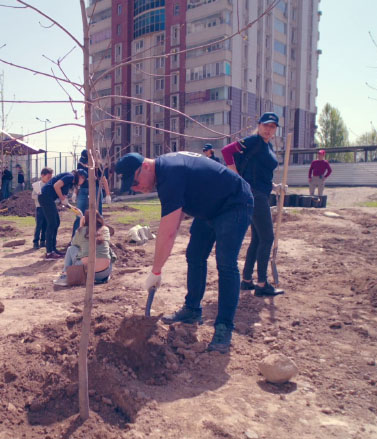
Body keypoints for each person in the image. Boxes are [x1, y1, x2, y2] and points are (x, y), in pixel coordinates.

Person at [115, 151, 254, 353]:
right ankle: (192, 310)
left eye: (135, 182)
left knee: (226, 263)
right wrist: (158, 266)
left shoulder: (170, 173)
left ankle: (224, 327)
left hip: (234, 203)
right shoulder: (166, 173)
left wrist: (156, 271)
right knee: (194, 255)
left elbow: (168, 233)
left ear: (145, 166)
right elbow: (175, 218)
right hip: (210, 207)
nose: (136, 189)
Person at [221, 112, 285, 296]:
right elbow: (226, 151)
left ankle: (247, 280)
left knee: (258, 239)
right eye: (265, 125)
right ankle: (262, 284)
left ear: (275, 130)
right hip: (254, 195)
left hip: (261, 193)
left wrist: (274, 186)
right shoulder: (253, 140)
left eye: (272, 126)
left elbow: (260, 172)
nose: (268, 129)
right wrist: (236, 178)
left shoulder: (268, 145)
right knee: (267, 238)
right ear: (259, 125)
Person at [54, 210, 114, 286]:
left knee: (71, 249)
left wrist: (81, 226)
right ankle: (103, 279)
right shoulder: (105, 229)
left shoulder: (82, 230)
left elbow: (74, 243)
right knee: (108, 250)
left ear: (85, 219)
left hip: (88, 273)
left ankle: (64, 276)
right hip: (104, 272)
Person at [38, 169, 87, 260]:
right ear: (80, 176)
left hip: (48, 198)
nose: (82, 182)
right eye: (83, 179)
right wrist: (62, 198)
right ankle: (49, 253)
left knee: (56, 222)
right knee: (52, 223)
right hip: (45, 197)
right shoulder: (70, 176)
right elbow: (56, 186)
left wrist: (72, 208)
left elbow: (63, 200)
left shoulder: (70, 183)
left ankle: (53, 249)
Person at [72, 149, 111, 236]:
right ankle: (75, 238)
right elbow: (78, 179)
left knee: (98, 214)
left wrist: (108, 194)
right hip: (83, 190)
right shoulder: (80, 165)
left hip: (95, 190)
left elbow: (104, 180)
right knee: (79, 214)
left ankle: (99, 236)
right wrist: (75, 192)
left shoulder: (98, 166)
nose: (84, 163)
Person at [32, 168, 53, 249]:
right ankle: (35, 242)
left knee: (45, 225)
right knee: (39, 225)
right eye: (48, 177)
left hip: (47, 208)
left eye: (50, 177)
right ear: (42, 176)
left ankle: (43, 241)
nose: (49, 179)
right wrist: (40, 196)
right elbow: (33, 196)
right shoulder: (37, 185)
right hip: (39, 208)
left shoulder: (50, 185)